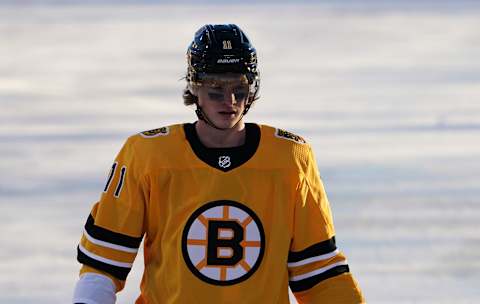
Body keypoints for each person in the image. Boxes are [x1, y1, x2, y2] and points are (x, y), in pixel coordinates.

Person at [72, 24, 365, 304]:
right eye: (216, 90)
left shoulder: (291, 159)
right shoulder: (147, 155)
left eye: (239, 88)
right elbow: (104, 263)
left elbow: (319, 271)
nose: (230, 101)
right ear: (194, 88)